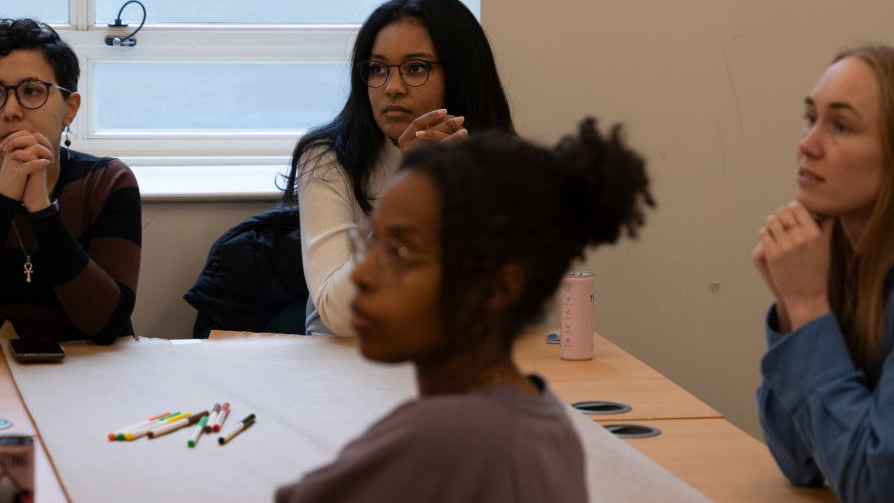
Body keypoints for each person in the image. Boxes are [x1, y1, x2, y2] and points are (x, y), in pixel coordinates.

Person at [274, 119, 654, 502]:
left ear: (495, 289)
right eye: (371, 244)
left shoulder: (443, 437)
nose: (362, 275)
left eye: (401, 253)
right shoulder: (546, 418)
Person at [753, 46, 894, 503]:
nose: (807, 145)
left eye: (840, 126)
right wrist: (791, 308)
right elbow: (800, 461)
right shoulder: (837, 248)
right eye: (810, 118)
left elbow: (876, 486)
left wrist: (806, 305)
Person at [282, 0, 514, 336]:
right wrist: (411, 190)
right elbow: (340, 315)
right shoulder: (327, 159)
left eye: (416, 68)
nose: (392, 88)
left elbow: (508, 303)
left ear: (461, 74)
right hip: (345, 356)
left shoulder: (502, 163)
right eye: (378, 69)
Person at [0, 19, 141, 345]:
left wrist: (42, 209)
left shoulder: (106, 182)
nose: (9, 110)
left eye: (31, 90)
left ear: (70, 109)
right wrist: (2, 198)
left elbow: (107, 326)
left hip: (89, 369)